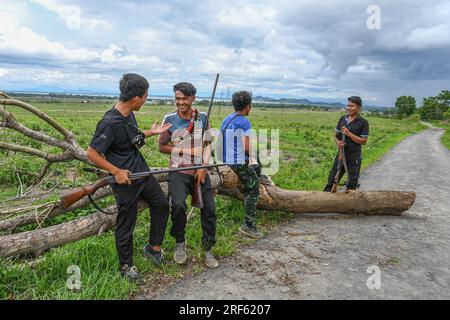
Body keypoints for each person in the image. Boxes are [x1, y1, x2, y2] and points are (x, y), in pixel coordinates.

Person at [87, 73, 172, 281]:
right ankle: (126, 266)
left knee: (161, 205)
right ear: (136, 99)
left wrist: (150, 133)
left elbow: (130, 139)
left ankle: (153, 248)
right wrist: (116, 171)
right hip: (125, 182)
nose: (145, 100)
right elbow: (92, 153)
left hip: (142, 173)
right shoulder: (109, 122)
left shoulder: (128, 115)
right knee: (126, 224)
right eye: (145, 97)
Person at [158, 82, 219, 268]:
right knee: (177, 206)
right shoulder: (169, 119)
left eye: (184, 98)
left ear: (193, 98)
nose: (181, 102)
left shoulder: (202, 117)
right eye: (177, 98)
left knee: (209, 210)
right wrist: (189, 151)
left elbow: (207, 144)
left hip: (200, 170)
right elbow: (162, 147)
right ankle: (179, 242)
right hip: (178, 170)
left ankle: (208, 248)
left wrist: (204, 167)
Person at [220, 91, 263, 239]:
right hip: (237, 161)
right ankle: (248, 226)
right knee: (253, 189)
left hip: (225, 159)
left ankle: (258, 179)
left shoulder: (227, 119)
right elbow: (246, 146)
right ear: (248, 106)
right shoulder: (244, 121)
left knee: (256, 165)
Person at [323, 96, 369, 192]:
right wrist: (338, 142)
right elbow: (335, 135)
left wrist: (349, 134)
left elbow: (364, 141)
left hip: (354, 158)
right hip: (340, 155)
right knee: (331, 180)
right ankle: (323, 204)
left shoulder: (363, 122)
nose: (349, 108)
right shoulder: (342, 119)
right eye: (348, 105)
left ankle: (349, 205)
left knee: (352, 184)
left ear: (359, 107)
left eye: (352, 106)